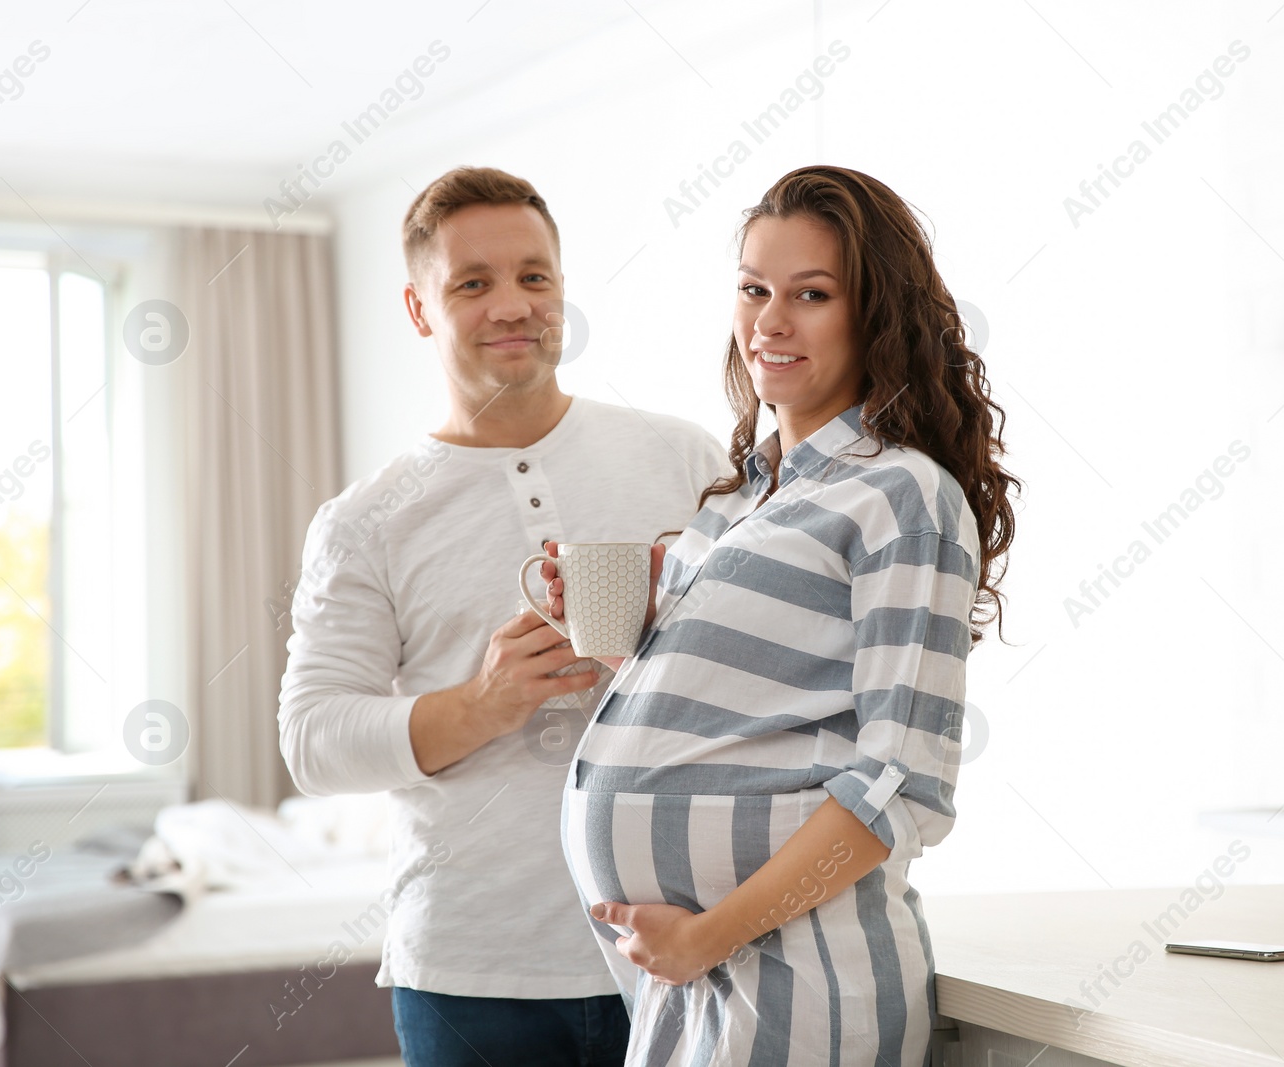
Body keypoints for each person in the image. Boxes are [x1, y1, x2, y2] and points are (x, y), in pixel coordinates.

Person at [554, 165, 1018, 1066]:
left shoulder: (902, 495)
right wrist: (632, 648)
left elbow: (903, 782)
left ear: (874, 314)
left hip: (802, 985)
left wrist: (709, 933)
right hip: (691, 983)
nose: (771, 320)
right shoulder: (737, 500)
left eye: (811, 294)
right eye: (755, 288)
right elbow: (736, 724)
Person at [277, 166, 728, 1067]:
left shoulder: (684, 457)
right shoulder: (368, 520)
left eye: (534, 276)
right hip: (472, 975)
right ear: (419, 310)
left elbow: (770, 663)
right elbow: (313, 738)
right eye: (472, 284)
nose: (513, 305)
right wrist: (483, 701)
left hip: (683, 944)